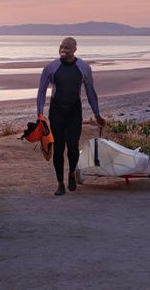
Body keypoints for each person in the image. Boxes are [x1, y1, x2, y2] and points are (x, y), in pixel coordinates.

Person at [36, 38, 106, 196]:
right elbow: (41, 91)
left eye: (67, 47)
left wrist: (97, 114)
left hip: (74, 110)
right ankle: (60, 183)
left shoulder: (84, 68)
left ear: (75, 49)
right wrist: (40, 115)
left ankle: (71, 173)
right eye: (61, 46)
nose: (63, 49)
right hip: (57, 111)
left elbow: (90, 92)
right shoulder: (51, 68)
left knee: (73, 146)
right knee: (59, 148)